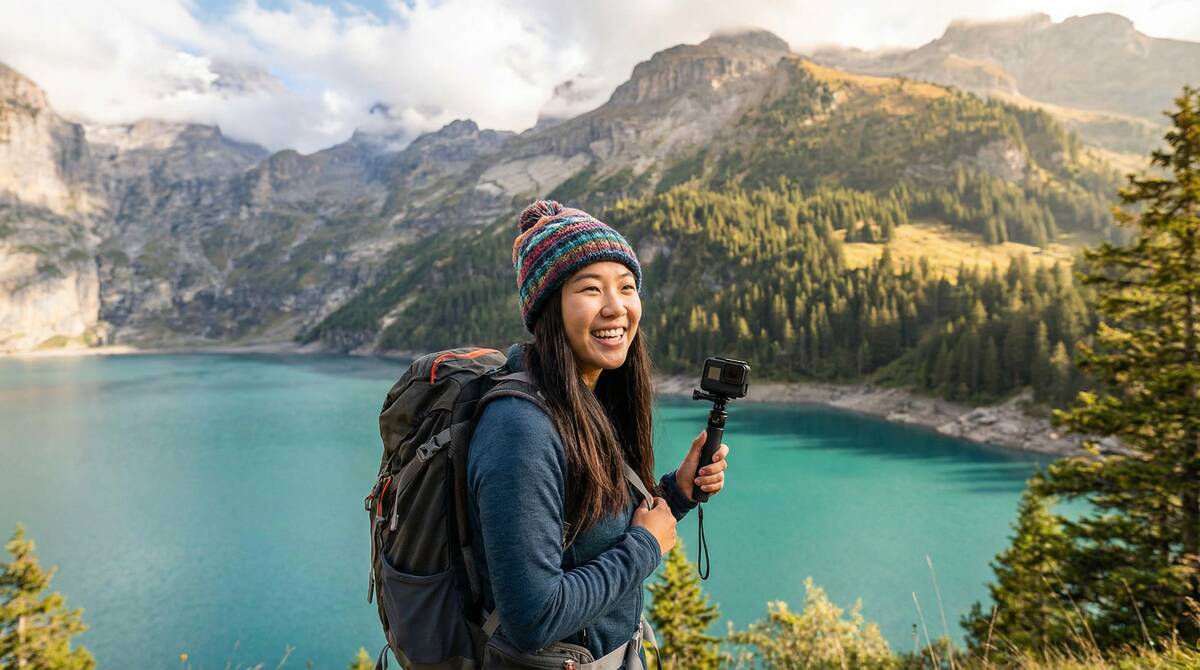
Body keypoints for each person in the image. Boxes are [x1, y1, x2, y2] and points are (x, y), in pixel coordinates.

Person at [466, 199, 731, 669]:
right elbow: (533, 617)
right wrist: (646, 546)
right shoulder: (520, 429)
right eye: (591, 289)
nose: (616, 307)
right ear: (549, 307)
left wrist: (676, 494)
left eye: (627, 287)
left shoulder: (585, 398)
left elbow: (591, 535)